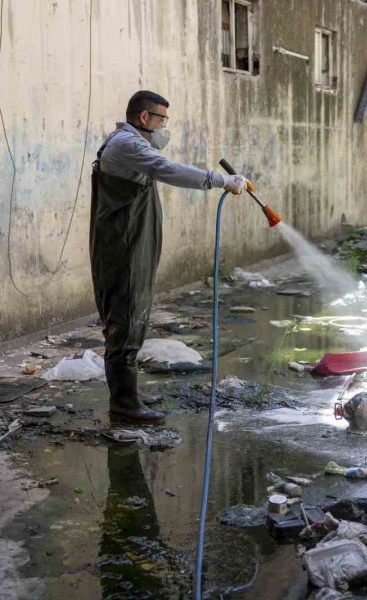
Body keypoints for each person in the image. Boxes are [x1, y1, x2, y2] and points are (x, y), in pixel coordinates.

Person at [90, 90, 249, 424]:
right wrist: (221, 180)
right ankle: (124, 406)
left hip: (131, 244)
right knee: (126, 318)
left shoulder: (130, 144)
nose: (165, 128)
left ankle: (128, 394)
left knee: (132, 317)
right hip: (123, 247)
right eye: (162, 120)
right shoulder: (127, 145)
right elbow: (168, 169)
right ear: (144, 118)